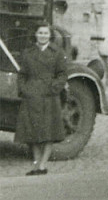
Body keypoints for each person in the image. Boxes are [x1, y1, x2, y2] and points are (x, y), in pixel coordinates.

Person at [14, 24, 68, 175]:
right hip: (31, 96)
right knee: (32, 132)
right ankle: (36, 164)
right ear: (36, 35)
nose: (43, 36)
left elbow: (62, 74)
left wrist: (53, 88)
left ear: (50, 36)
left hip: (49, 97)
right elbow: (22, 74)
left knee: (49, 131)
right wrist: (24, 89)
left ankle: (43, 165)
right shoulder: (28, 53)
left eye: (45, 33)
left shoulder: (57, 53)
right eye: (40, 33)